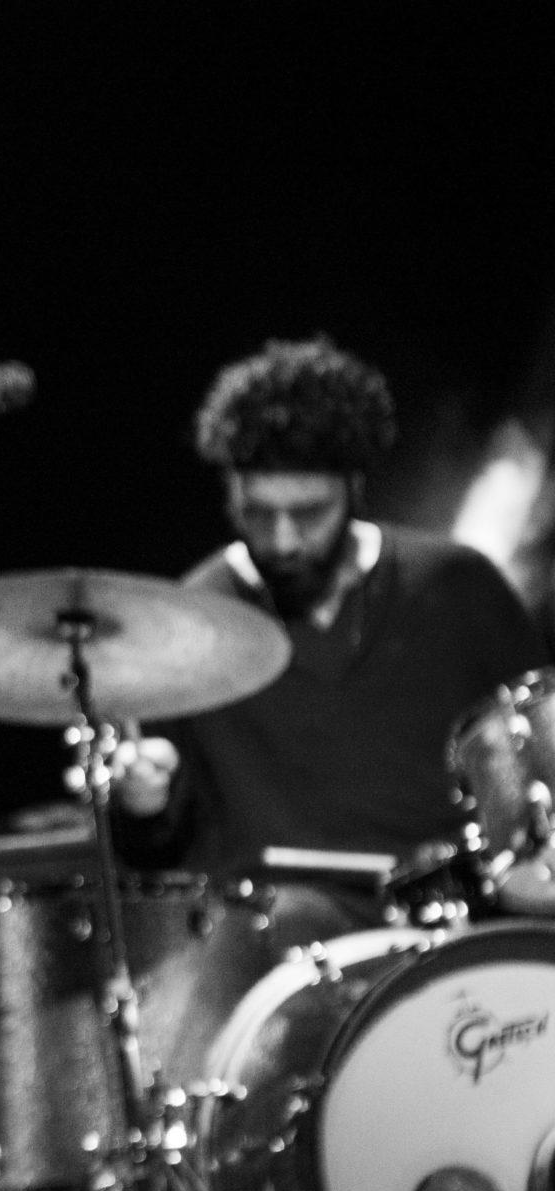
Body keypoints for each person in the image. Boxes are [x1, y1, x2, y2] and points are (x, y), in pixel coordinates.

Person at [115, 335, 548, 946]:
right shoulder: (189, 623)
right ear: (230, 493)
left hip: (463, 921)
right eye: (258, 513)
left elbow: (539, 765)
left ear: (354, 488)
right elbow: (152, 854)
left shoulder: (458, 586)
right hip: (285, 941)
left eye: (309, 513)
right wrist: (141, 803)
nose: (283, 540)